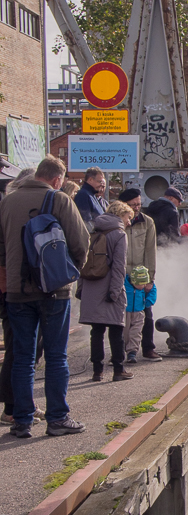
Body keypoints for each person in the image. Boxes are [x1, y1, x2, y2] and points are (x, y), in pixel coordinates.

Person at [0, 155, 89, 438]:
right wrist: (69, 272)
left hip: (16, 291)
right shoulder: (60, 200)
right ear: (56, 179)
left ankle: (22, 420)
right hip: (53, 290)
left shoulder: (6, 202)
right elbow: (80, 241)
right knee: (55, 356)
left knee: (23, 358)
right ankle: (58, 418)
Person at [0, 168, 43, 426]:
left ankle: (21, 404)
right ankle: (12, 408)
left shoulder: (8, 208)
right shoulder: (10, 211)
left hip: (14, 286)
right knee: (19, 350)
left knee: (24, 350)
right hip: (12, 289)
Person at [78, 200, 133, 382]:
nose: (129, 222)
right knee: (116, 330)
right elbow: (119, 267)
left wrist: (80, 288)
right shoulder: (119, 234)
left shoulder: (93, 230)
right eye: (128, 217)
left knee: (97, 331)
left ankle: (97, 371)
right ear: (121, 215)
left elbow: (82, 260)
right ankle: (118, 369)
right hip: (110, 286)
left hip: (91, 286)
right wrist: (115, 292)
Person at [119, 188, 162, 362]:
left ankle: (148, 348)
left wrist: (150, 279)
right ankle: (122, 350)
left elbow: (150, 251)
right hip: (121, 273)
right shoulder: (117, 221)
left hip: (139, 274)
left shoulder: (147, 222)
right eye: (132, 205)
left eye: (138, 204)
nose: (137, 208)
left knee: (146, 313)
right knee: (121, 315)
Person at [74, 166, 107, 230]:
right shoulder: (83, 195)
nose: (101, 184)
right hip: (93, 237)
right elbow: (86, 222)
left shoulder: (91, 195)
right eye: (99, 181)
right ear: (90, 180)